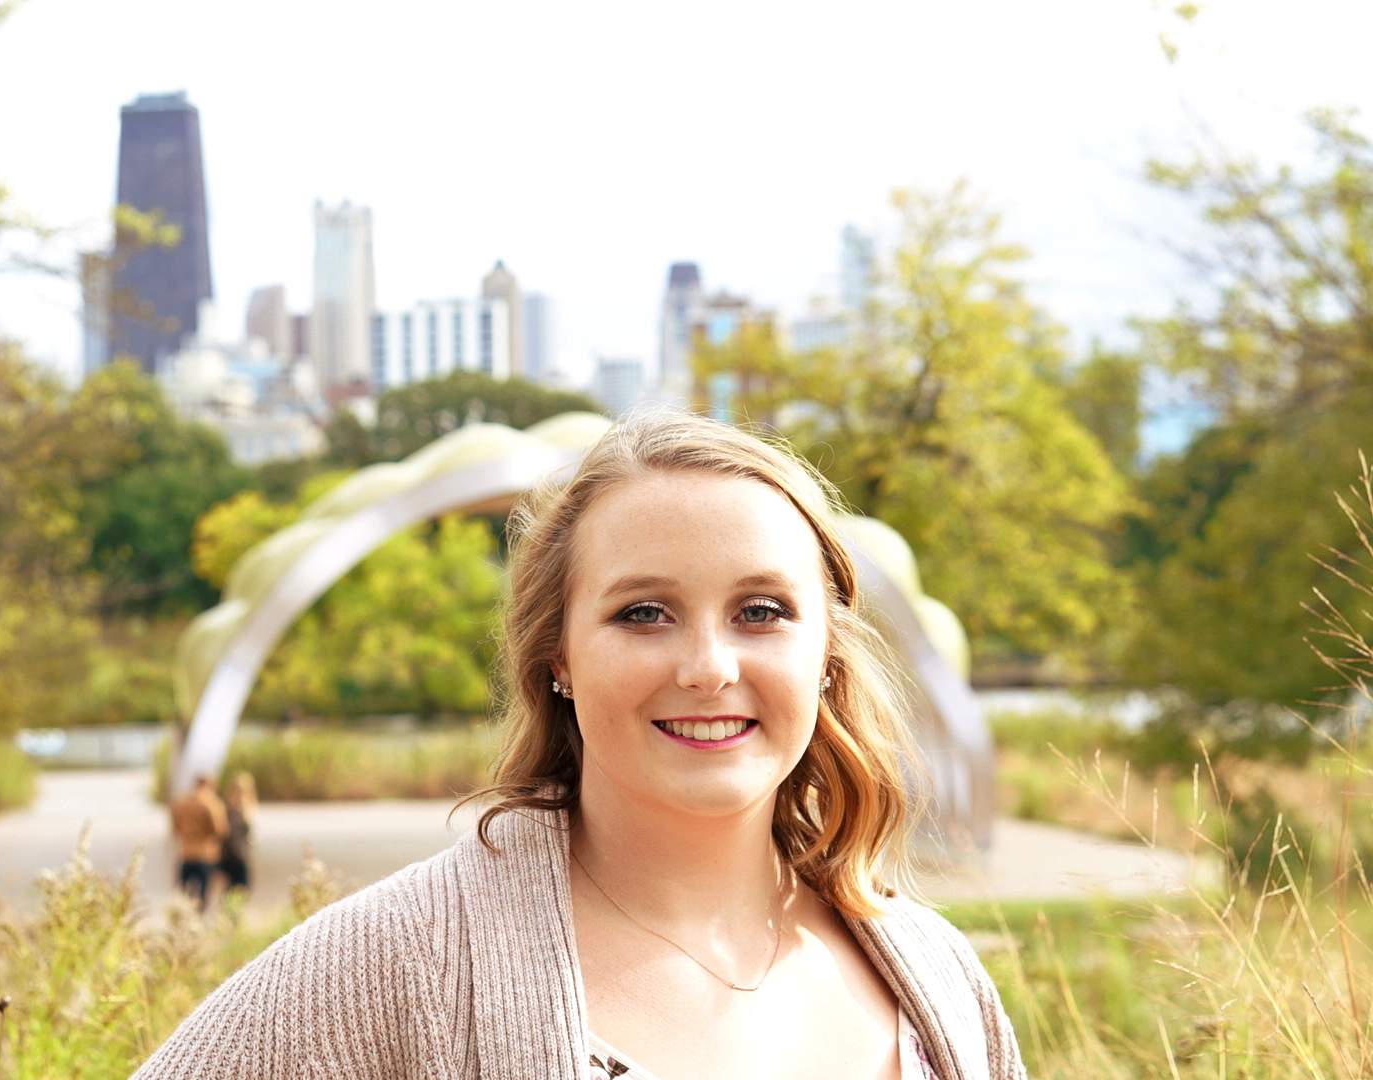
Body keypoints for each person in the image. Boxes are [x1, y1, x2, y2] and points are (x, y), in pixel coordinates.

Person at [134, 413, 1026, 1079]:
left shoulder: (934, 973)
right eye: (644, 614)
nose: (708, 668)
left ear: (826, 653)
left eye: (761, 611)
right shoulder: (404, 960)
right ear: (557, 655)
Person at [169, 773, 227, 912]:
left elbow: (175, 828)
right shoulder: (212, 803)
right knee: (203, 895)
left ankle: (183, 918)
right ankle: (197, 920)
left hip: (186, 854)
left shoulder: (181, 803)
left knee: (183, 895)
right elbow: (220, 830)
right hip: (206, 855)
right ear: (209, 786)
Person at [218, 771, 257, 895]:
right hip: (233, 855)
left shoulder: (247, 808)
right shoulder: (231, 809)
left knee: (240, 890)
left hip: (242, 854)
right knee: (237, 889)